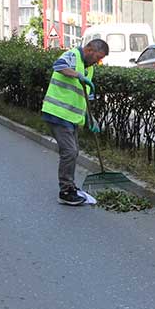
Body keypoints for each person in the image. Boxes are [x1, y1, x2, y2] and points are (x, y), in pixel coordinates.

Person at [41, 39, 109, 205]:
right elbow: (58, 66)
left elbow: (85, 97)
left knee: (73, 151)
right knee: (70, 151)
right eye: (97, 57)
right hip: (57, 113)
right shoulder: (72, 56)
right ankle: (65, 191)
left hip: (72, 117)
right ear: (89, 49)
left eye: (101, 59)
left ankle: (70, 186)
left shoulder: (90, 69)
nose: (97, 61)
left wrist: (90, 118)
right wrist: (77, 75)